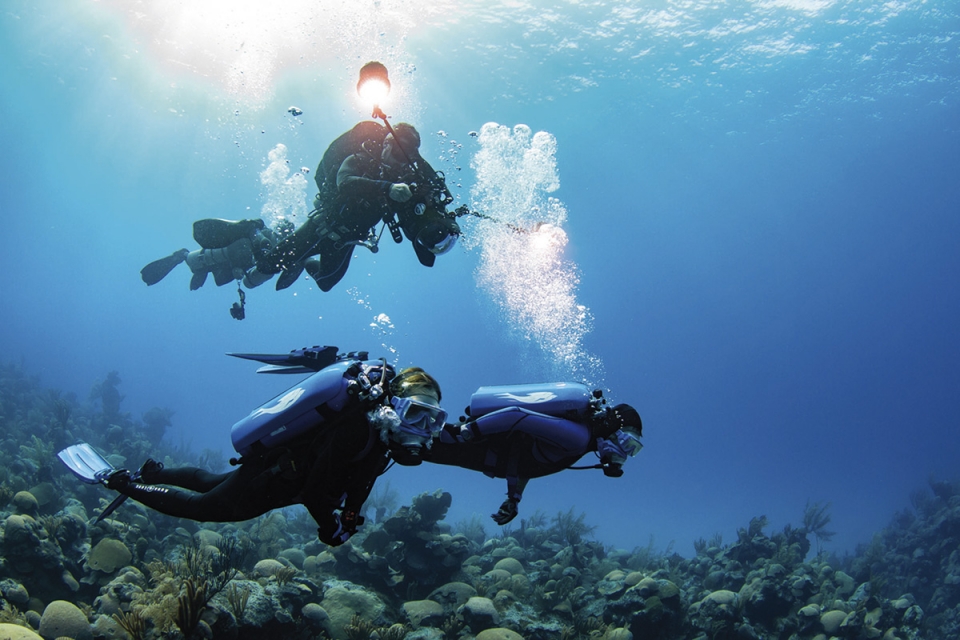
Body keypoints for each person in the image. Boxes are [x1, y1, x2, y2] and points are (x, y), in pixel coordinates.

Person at [58, 348, 446, 547]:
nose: (423, 429)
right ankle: (120, 481)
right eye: (415, 413)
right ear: (393, 406)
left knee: (210, 480)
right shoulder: (358, 431)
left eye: (432, 420)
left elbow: (358, 480)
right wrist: (330, 527)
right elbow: (314, 493)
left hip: (274, 469)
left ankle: (154, 473)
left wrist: (349, 516)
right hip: (272, 481)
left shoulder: (380, 439)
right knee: (202, 508)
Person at [250, 121, 462, 292]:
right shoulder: (360, 160)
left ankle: (303, 260)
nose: (402, 161)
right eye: (399, 152)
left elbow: (412, 224)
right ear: (386, 145)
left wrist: (436, 222)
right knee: (266, 267)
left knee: (325, 283)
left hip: (346, 241)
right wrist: (387, 188)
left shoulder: (403, 185)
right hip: (322, 226)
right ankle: (253, 233)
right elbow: (345, 183)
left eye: (409, 155)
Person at [422, 383, 642, 525]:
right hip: (469, 447)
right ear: (614, 431)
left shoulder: (581, 443)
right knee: (406, 440)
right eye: (628, 443)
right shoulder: (578, 439)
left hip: (477, 451)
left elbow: (527, 459)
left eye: (634, 449)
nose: (625, 454)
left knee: (406, 440)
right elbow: (515, 415)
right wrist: (464, 434)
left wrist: (513, 497)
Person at [139, 217, 290, 291]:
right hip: (219, 255)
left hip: (227, 265)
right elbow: (240, 244)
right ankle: (181, 255)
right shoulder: (262, 234)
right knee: (194, 261)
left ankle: (201, 269)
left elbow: (253, 274)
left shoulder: (274, 250)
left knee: (218, 279)